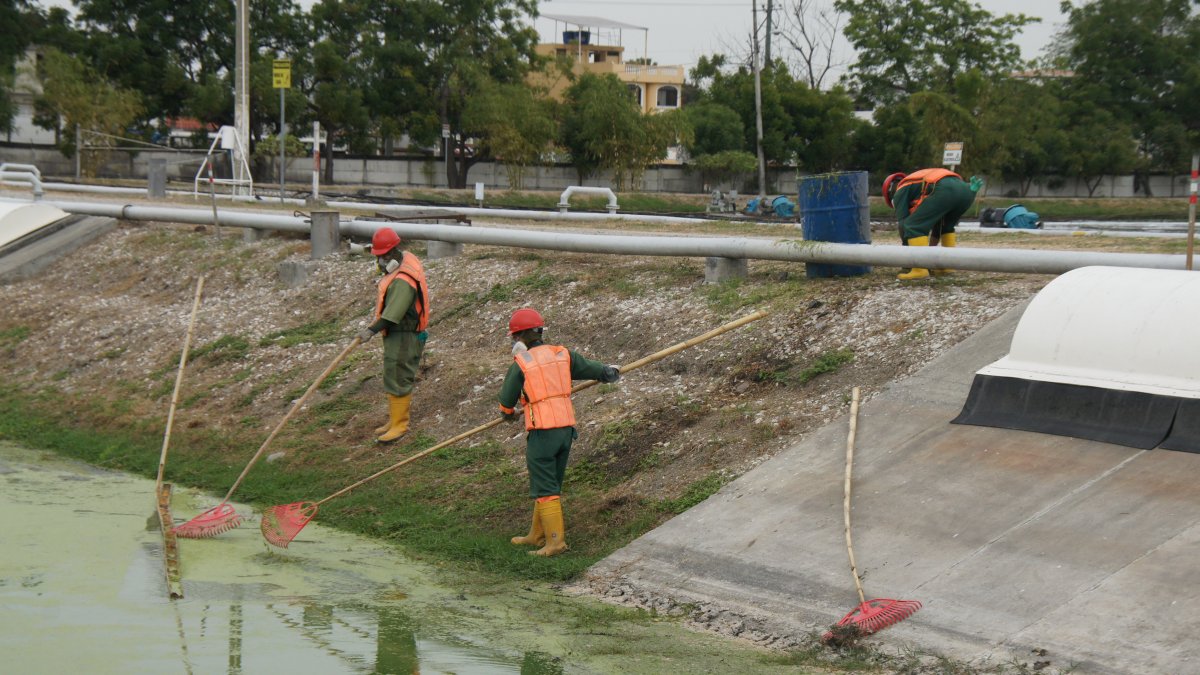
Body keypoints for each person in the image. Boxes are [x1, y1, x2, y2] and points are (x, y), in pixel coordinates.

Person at [498, 308, 619, 557]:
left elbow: (506, 400)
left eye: (514, 338)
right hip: (565, 429)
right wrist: (609, 372)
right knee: (550, 482)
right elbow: (594, 369)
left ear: (519, 337)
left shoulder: (522, 362)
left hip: (542, 431)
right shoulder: (562, 354)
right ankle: (537, 534)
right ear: (540, 332)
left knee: (545, 486)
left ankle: (555, 543)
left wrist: (508, 414)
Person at [357, 228, 429, 443]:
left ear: (391, 255)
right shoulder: (406, 260)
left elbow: (391, 316)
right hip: (398, 333)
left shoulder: (402, 282)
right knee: (392, 373)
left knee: (399, 376)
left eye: (382, 257)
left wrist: (370, 331)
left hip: (405, 334)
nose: (380, 262)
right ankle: (393, 419)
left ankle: (400, 425)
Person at [883, 169, 979, 280]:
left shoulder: (900, 190)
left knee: (913, 225)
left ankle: (920, 269)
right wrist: (929, 256)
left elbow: (903, 225)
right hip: (965, 190)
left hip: (943, 188)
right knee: (945, 226)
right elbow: (937, 228)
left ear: (890, 194)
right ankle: (947, 267)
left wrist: (908, 257)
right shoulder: (917, 184)